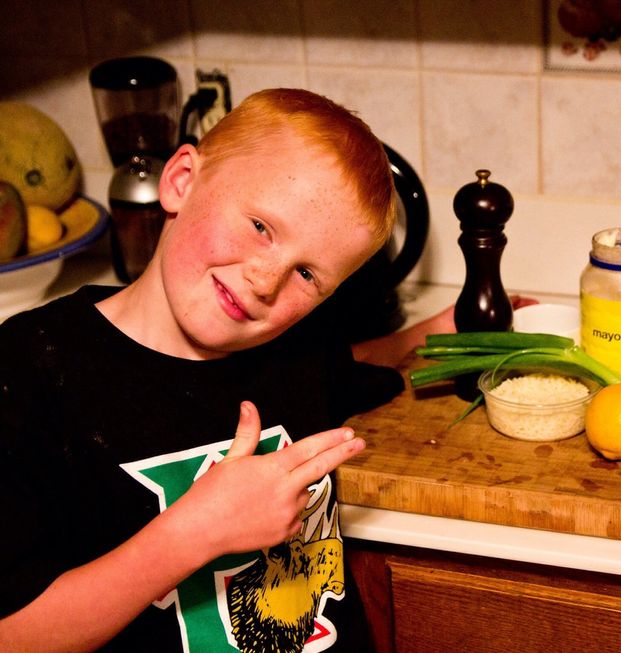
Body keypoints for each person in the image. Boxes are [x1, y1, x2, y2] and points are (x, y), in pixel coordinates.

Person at [0, 88, 457, 652]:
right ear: (181, 181)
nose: (266, 281)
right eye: (261, 227)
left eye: (308, 275)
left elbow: (349, 367)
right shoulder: (28, 372)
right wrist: (196, 533)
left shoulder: (295, 349)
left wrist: (434, 331)